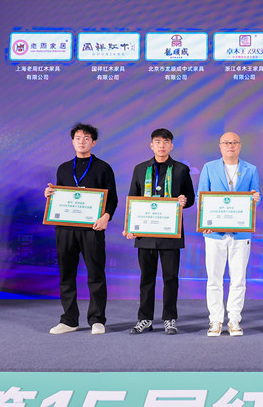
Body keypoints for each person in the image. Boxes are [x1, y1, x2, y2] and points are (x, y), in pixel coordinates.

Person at [44, 123, 118, 335]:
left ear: (93, 142)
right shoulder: (63, 168)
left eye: (86, 138)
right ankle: (69, 320)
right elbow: (59, 196)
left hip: (92, 229)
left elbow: (112, 198)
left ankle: (97, 319)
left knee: (96, 273)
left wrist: (106, 217)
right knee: (66, 274)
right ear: (72, 142)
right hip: (65, 229)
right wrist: (49, 195)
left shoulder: (103, 168)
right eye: (78, 138)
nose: (82, 141)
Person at [124, 128, 195, 335]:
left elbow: (190, 198)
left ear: (171, 145)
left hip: (170, 233)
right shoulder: (140, 169)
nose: (161, 145)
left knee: (170, 278)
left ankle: (169, 319)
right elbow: (133, 199)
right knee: (146, 278)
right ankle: (144, 319)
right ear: (151, 145)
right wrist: (130, 227)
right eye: (157, 142)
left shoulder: (181, 169)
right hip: (145, 233)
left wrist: (184, 200)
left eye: (165, 142)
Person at [197, 132, 261, 337]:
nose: (230, 146)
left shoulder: (251, 169)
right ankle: (215, 321)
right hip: (214, 233)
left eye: (234, 142)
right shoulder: (209, 168)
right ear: (220, 146)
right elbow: (201, 197)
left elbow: (256, 195)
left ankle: (234, 320)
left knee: (239, 279)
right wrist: (204, 222)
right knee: (214, 279)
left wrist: (256, 197)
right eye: (226, 143)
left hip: (241, 233)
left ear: (240, 146)